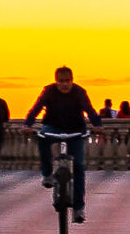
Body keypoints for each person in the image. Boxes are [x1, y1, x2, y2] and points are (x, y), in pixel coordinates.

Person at [27, 67, 100, 217]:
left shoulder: (80, 92)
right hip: (53, 127)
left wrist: (98, 125)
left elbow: (90, 111)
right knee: (42, 138)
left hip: (75, 130)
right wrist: (27, 124)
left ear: (72, 80)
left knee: (79, 167)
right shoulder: (49, 91)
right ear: (56, 81)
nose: (64, 84)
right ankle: (47, 174)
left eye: (67, 81)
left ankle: (78, 209)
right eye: (61, 81)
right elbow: (36, 108)